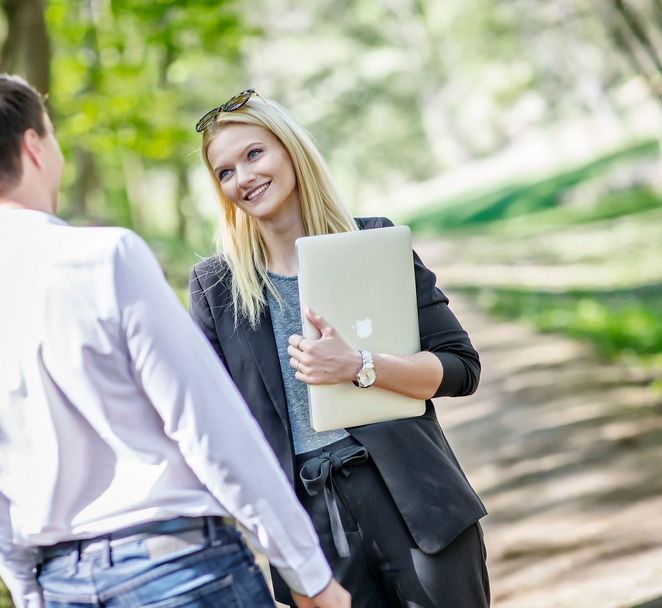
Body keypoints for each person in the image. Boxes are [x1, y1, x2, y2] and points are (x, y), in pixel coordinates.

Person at [0, 73, 350, 608]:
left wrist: (31, 597)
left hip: (61, 585)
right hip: (179, 569)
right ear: (33, 146)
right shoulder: (105, 259)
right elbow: (209, 427)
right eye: (50, 132)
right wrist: (308, 574)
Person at [188, 90, 490, 608]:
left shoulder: (376, 244)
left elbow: (461, 368)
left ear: (291, 151)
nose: (243, 177)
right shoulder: (215, 290)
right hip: (313, 530)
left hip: (417, 503)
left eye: (254, 154)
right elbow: (210, 423)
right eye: (225, 171)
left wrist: (360, 367)